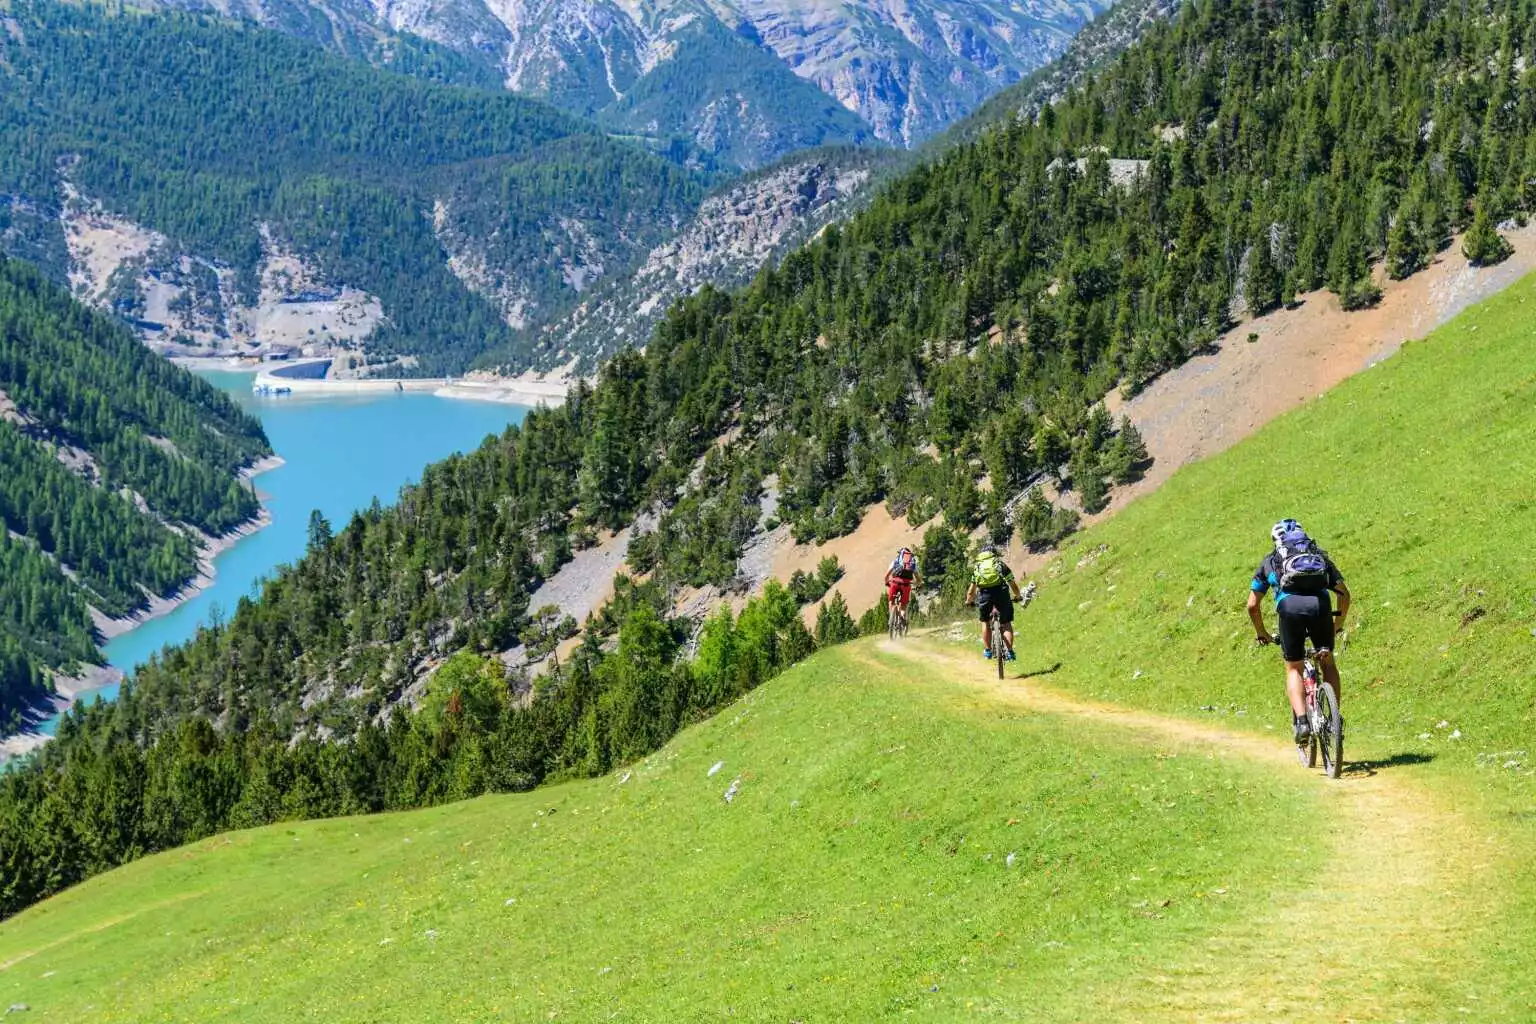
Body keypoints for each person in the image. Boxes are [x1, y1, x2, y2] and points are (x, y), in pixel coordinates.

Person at [1246, 519, 1351, 744]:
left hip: (1289, 609)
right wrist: (1337, 624)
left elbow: (1253, 606)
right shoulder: (1319, 557)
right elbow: (1344, 594)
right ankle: (1334, 719)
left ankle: (1302, 722)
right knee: (1328, 662)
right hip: (1321, 608)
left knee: (1294, 668)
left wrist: (1262, 632)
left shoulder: (1271, 561)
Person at [964, 545, 1026, 660]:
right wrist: (1018, 596)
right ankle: (1010, 653)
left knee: (985, 622)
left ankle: (988, 651)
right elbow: (1013, 584)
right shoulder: (1000, 564)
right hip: (1001, 594)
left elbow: (971, 591)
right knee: (1006, 623)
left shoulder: (978, 567)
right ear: (993, 554)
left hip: (985, 595)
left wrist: (969, 601)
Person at [884, 546, 921, 621]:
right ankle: (902, 616)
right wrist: (917, 584)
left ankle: (891, 619)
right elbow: (918, 579)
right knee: (903, 604)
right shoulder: (912, 564)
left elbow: (886, 576)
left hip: (894, 583)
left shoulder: (895, 561)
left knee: (891, 600)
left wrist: (887, 582)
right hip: (906, 584)